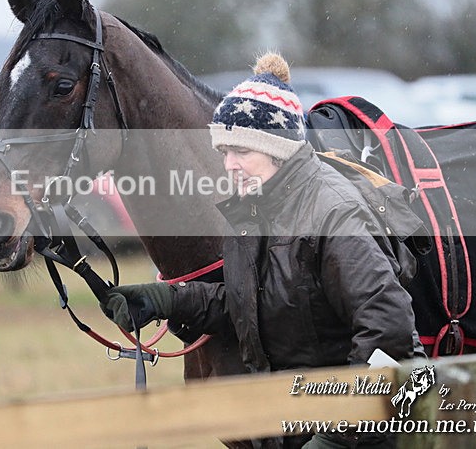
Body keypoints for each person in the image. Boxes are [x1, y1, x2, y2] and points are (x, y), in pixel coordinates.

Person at [100, 52, 422, 448]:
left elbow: (388, 329)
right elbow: (251, 302)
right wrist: (167, 300)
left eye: (242, 151)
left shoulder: (332, 213)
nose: (230, 165)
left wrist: (340, 435)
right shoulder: (253, 208)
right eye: (224, 152)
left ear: (278, 150)